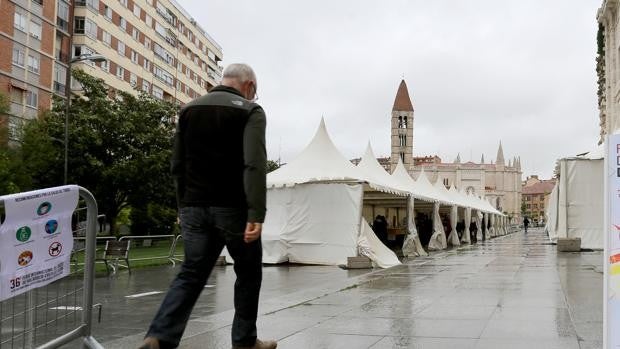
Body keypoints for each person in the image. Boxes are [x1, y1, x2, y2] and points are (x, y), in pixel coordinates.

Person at [140, 64, 276, 349]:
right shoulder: (250, 111)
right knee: (249, 273)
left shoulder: (188, 110)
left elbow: (177, 164)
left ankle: (159, 337)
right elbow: (254, 163)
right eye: (255, 91)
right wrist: (256, 212)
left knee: (191, 273)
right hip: (233, 207)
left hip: (193, 206)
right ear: (249, 85)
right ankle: (244, 341)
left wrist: (181, 207)